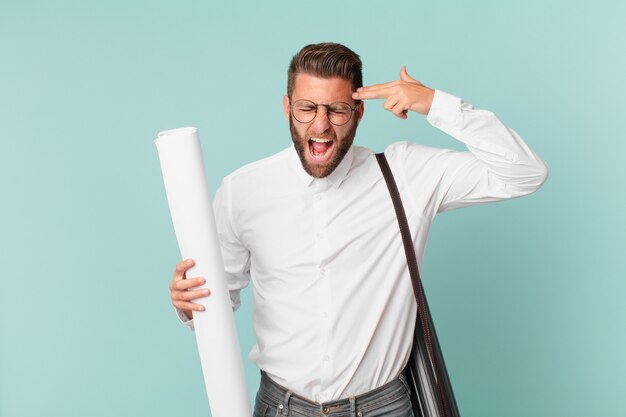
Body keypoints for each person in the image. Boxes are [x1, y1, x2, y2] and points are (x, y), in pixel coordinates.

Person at [168, 42, 548, 417]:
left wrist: (434, 103)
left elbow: (525, 173)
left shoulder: (405, 176)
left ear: (359, 112)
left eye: (336, 110)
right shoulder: (242, 191)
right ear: (287, 108)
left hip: (382, 407)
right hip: (282, 408)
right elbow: (217, 298)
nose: (320, 124)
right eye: (306, 108)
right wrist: (189, 304)